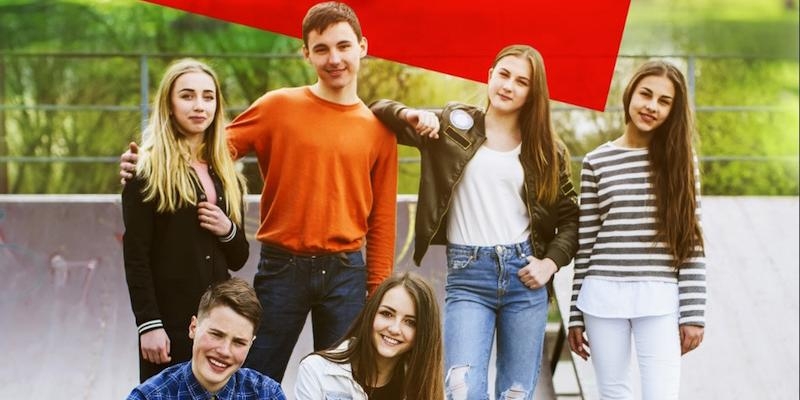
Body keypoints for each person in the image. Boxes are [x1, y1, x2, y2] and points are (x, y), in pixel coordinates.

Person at [120, 2, 398, 382]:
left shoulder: (379, 130)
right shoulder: (277, 107)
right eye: (321, 49)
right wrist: (148, 163)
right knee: (247, 377)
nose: (334, 58)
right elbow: (211, 147)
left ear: (362, 47)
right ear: (306, 53)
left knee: (343, 383)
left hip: (346, 272)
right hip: (283, 268)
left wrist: (377, 292)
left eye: (344, 46)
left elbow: (382, 218)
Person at [370, 44, 579, 400]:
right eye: (504, 74)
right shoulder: (453, 127)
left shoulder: (547, 149)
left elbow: (571, 218)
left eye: (521, 81)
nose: (508, 85)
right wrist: (412, 115)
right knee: (461, 389)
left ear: (533, 93)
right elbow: (378, 111)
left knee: (517, 392)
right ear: (489, 75)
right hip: (468, 276)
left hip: (524, 279)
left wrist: (550, 263)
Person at [566, 60, 707, 400]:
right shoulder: (596, 161)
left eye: (664, 101)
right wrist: (574, 314)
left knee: (662, 394)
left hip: (659, 297)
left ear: (673, 110)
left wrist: (694, 313)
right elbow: (587, 244)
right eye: (646, 94)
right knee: (613, 394)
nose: (651, 106)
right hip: (601, 298)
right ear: (630, 93)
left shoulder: (681, 163)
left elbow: (692, 243)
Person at [122, 58, 249, 382]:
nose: (199, 105)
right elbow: (136, 257)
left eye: (208, 97)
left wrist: (228, 229)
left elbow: (239, 256)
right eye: (187, 95)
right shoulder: (146, 171)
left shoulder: (226, 173)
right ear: (169, 103)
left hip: (216, 324)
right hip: (169, 324)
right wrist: (149, 325)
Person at [127, 277, 286, 399]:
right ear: (193, 328)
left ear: (251, 344)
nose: (224, 351)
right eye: (216, 334)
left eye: (239, 342)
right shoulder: (148, 397)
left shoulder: (268, 394)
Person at [294, 271, 443, 400]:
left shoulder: (426, 387)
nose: (394, 329)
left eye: (410, 322)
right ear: (370, 313)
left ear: (423, 334)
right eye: (387, 314)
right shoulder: (316, 370)